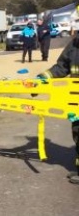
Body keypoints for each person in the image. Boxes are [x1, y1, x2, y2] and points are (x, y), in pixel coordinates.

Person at [37, 33, 79, 185]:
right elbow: (61, 67)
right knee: (77, 132)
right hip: (76, 101)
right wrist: (41, 79)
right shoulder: (74, 44)